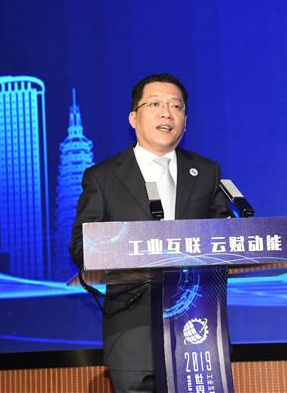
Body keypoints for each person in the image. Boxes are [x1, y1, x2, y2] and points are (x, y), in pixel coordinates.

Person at [69, 73, 231, 393]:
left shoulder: (207, 171)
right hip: (132, 329)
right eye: (155, 104)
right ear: (134, 118)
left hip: (196, 325)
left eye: (176, 106)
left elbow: (224, 236)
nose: (166, 113)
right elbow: (80, 245)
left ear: (185, 121)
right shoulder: (102, 177)